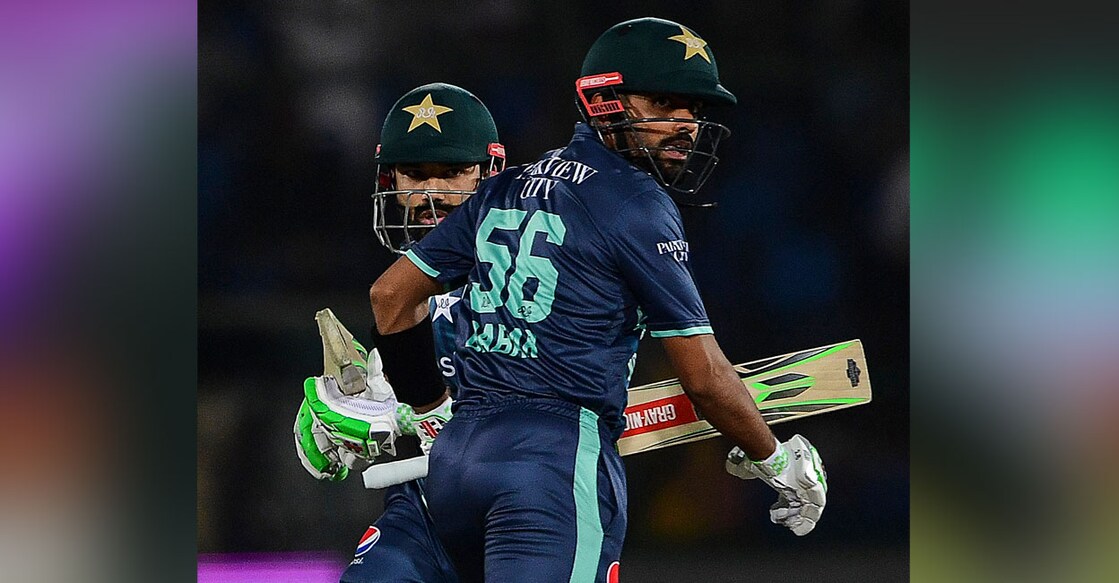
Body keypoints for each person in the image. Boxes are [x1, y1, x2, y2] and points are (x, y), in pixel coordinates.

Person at [369, 18, 828, 583]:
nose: (685, 123)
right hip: (555, 462)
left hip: (452, 467)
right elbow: (704, 378)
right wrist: (776, 460)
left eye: (692, 109)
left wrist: (430, 407)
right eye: (664, 102)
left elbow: (390, 297)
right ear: (606, 100)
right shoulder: (637, 204)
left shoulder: (505, 186)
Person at [293, 82, 506, 583]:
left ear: (489, 173)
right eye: (415, 174)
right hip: (425, 514)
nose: (431, 194)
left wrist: (439, 422)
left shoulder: (548, 263)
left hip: (527, 506)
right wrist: (344, 425)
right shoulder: (402, 283)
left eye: (453, 173)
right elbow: (399, 418)